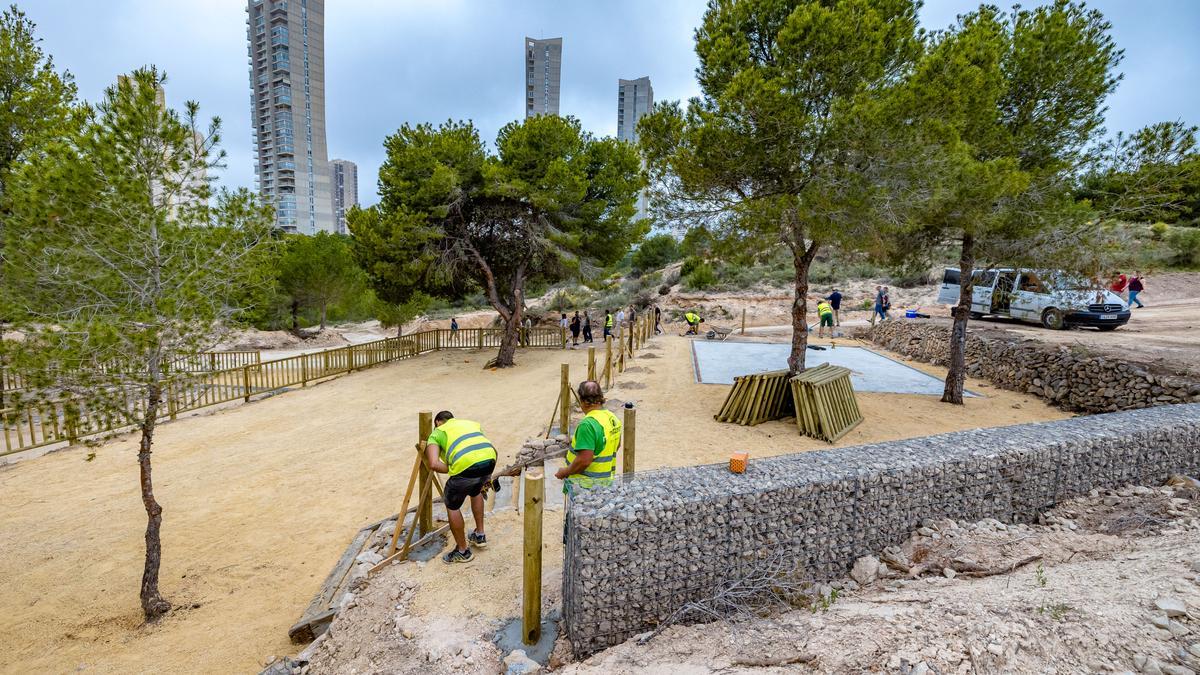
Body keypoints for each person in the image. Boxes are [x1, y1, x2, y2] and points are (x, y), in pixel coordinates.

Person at [425, 410, 498, 565]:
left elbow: (433, 463)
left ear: (438, 422)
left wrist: (453, 469)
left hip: (465, 466)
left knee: (452, 506)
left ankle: (462, 551)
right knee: (476, 490)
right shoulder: (470, 423)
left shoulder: (438, 432)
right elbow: (481, 447)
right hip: (490, 459)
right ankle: (480, 534)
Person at [555, 380, 621, 493]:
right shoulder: (612, 418)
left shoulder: (587, 424)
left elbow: (584, 461)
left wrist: (565, 472)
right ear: (601, 398)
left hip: (585, 488)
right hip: (605, 485)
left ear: (583, 401)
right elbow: (616, 445)